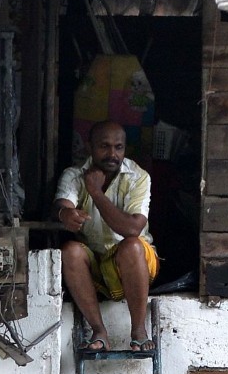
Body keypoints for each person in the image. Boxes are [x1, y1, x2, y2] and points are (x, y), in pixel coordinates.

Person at [54, 120, 159, 354]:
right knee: (70, 250)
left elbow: (132, 229)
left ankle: (139, 332)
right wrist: (65, 214)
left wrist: (95, 192)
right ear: (89, 147)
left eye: (118, 147)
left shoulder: (138, 177)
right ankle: (99, 331)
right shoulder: (74, 175)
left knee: (132, 245)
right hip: (97, 272)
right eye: (104, 146)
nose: (112, 154)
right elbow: (62, 206)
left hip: (134, 267)